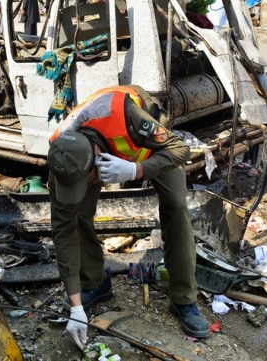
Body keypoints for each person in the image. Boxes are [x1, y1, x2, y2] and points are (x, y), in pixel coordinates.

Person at [47, 85, 209, 350]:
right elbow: (63, 235)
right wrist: (75, 307)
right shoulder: (61, 154)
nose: (79, 188)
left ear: (97, 159)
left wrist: (136, 169)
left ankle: (183, 298)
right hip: (99, 152)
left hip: (152, 147)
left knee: (176, 206)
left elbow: (181, 150)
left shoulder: (126, 116)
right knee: (75, 216)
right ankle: (94, 282)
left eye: (86, 180)